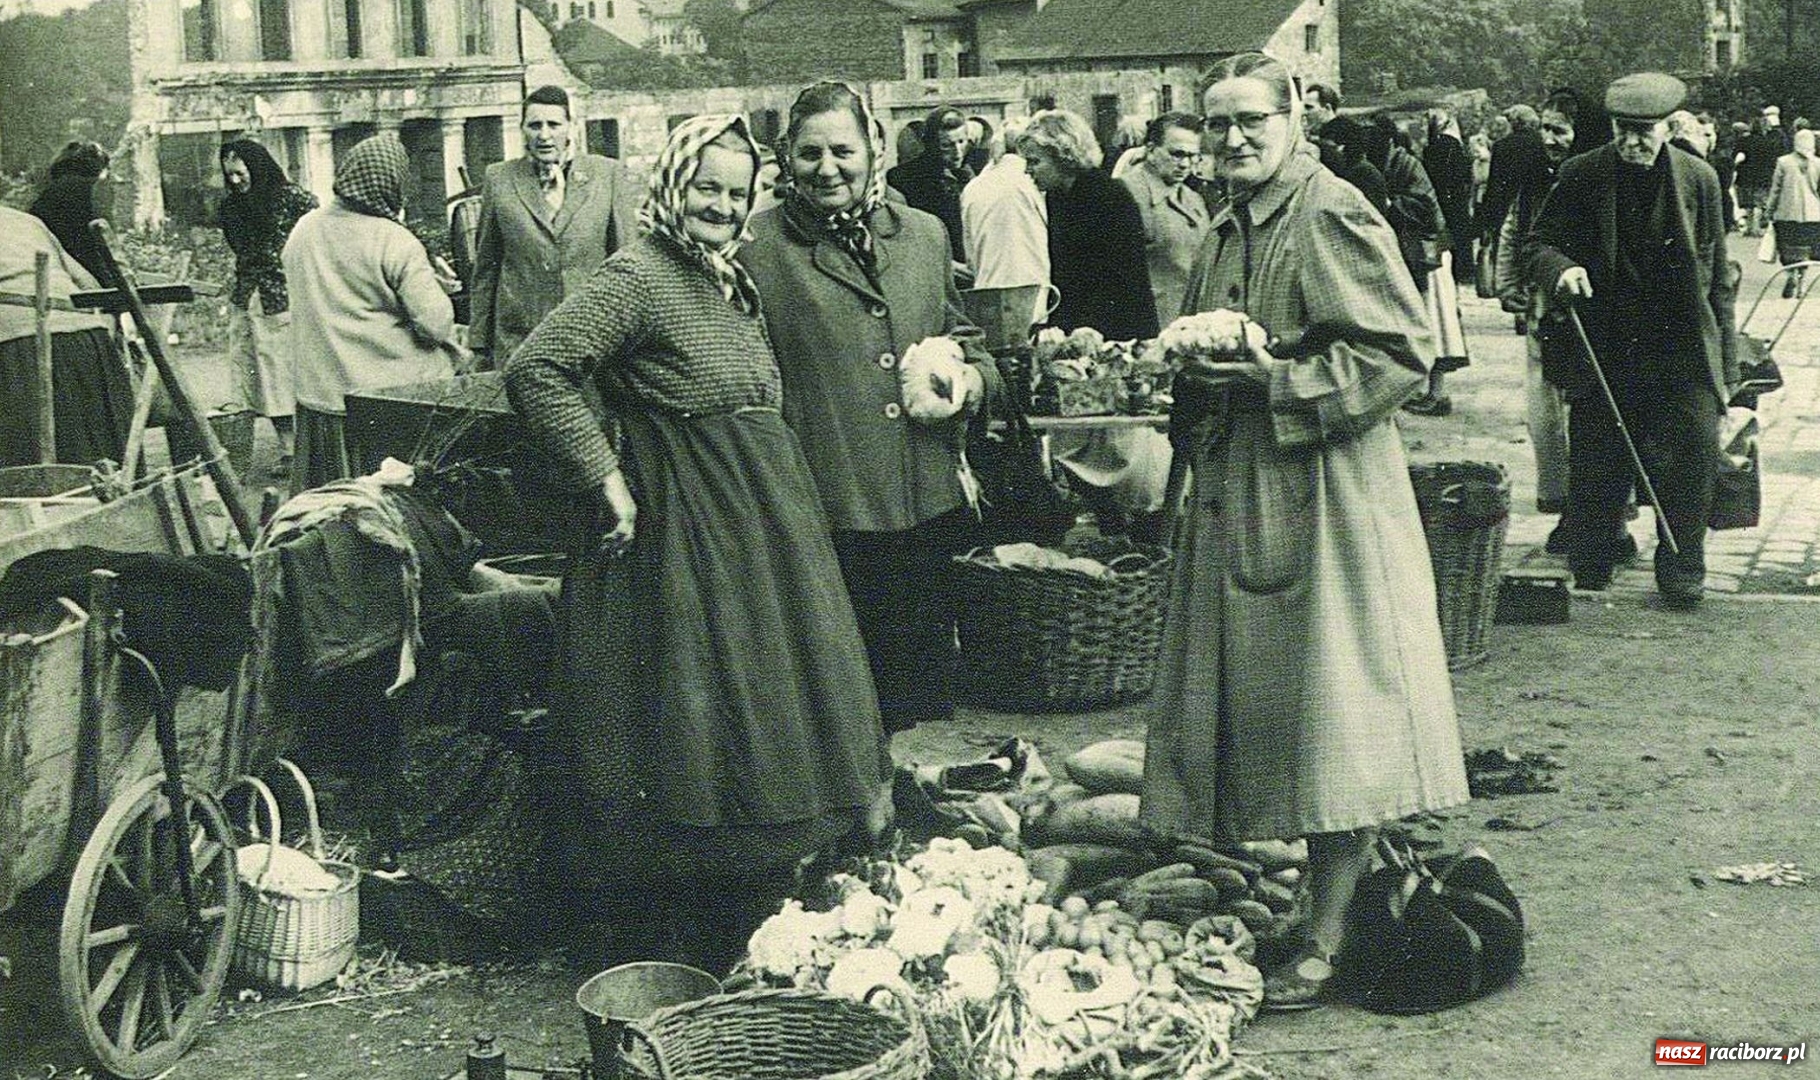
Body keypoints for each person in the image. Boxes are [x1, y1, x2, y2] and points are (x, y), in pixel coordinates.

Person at [506, 115, 886, 968]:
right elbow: (537, 367)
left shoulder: (725, 279)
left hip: (759, 522)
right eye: (705, 186)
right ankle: (695, 913)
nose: (721, 203)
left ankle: (756, 890)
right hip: (688, 526)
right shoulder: (639, 274)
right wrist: (603, 474)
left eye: (736, 189)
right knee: (696, 708)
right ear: (673, 187)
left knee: (767, 694)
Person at [1139, 51, 1467, 1012]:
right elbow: (1210, 341)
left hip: (1327, 495)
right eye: (1218, 125)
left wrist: (1277, 382)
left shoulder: (1329, 209)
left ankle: (1326, 937)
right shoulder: (1230, 224)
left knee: (1335, 715)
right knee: (1275, 712)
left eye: (1253, 120)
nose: (1233, 140)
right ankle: (1327, 908)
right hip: (1244, 489)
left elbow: (1401, 348)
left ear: (1296, 121)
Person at [738, 81, 1003, 745]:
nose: (827, 168)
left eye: (843, 151)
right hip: (828, 506)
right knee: (837, 693)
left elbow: (960, 329)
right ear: (784, 159)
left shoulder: (922, 235)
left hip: (922, 501)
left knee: (912, 692)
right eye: (809, 153)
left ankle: (902, 823)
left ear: (874, 150)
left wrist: (970, 378)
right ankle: (859, 830)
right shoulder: (756, 249)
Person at [1525, 72, 1736, 608]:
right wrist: (1563, 268)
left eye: (1645, 131)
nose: (1633, 142)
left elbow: (1719, 279)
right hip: (1608, 343)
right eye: (1623, 130)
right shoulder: (1581, 175)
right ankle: (1595, 558)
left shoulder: (1700, 179)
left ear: (1669, 127)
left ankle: (1682, 564)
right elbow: (1539, 243)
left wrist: (1726, 371)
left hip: (1683, 346)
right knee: (1600, 457)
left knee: (1691, 456)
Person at [282, 134, 463, 494]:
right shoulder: (393, 240)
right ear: (394, 184)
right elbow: (434, 326)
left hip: (321, 398)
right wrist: (439, 287)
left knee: (327, 507)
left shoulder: (305, 228)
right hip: (385, 404)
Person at [1021, 109, 1165, 539]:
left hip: (1117, 331)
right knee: (1086, 439)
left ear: (1062, 155)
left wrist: (1091, 329)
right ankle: (1114, 522)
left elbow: (1121, 275)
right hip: (1083, 332)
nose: (1029, 172)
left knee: (1122, 445)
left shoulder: (1109, 196)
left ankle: (1141, 524)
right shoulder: (1059, 199)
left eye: (1035, 162)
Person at [469, 85, 641, 369]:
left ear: (570, 127)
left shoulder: (606, 174)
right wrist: (479, 343)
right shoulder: (499, 178)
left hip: (592, 338)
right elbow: (487, 266)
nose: (544, 135)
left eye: (554, 124)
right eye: (535, 125)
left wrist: (630, 338)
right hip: (519, 339)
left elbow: (627, 263)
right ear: (523, 129)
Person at [0, 207, 132, 467]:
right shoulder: (26, 221)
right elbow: (90, 286)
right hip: (88, 340)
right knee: (102, 463)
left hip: (20, 351)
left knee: (28, 469)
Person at [217, 139, 318, 472]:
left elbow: (319, 235)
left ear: (256, 167)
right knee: (257, 376)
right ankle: (287, 448)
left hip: (286, 298)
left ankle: (304, 450)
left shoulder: (293, 199)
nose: (235, 181)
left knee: (286, 372)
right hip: (248, 298)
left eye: (240, 173)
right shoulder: (231, 208)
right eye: (228, 174)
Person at [959, 115, 1051, 328]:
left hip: (988, 300)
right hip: (1035, 299)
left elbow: (971, 258)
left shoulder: (972, 188)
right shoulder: (1035, 181)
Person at [1121, 112, 1210, 326]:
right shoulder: (1124, 194)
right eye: (1177, 154)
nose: (1185, 164)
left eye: (1193, 156)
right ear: (1151, 151)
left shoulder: (1193, 199)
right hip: (1148, 327)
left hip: (1193, 326)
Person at [885, 104, 975, 269]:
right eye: (946, 146)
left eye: (961, 142)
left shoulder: (972, 174)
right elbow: (902, 237)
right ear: (931, 145)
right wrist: (945, 264)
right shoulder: (903, 178)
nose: (957, 152)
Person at [27, 140, 113, 287]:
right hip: (78, 263)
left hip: (46, 259)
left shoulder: (49, 190)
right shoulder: (88, 188)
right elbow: (95, 238)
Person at [1764, 129, 1820, 298]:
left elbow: (1776, 189)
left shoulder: (1783, 162)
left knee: (1787, 248)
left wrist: (1770, 209)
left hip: (1786, 213)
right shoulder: (1818, 163)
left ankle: (1791, 275)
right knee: (1806, 250)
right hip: (1813, 214)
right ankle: (1802, 283)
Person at [1425, 109, 1476, 284]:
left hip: (1441, 193)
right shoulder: (1453, 144)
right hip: (1456, 195)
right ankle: (1463, 270)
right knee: (1460, 233)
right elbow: (1463, 172)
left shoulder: (1432, 145)